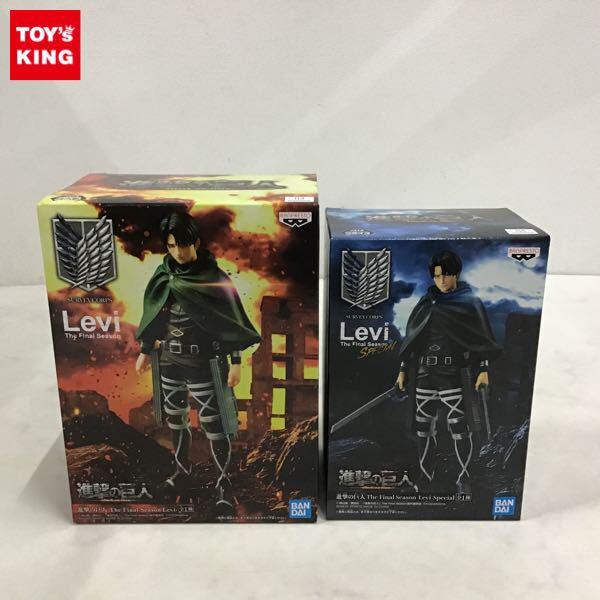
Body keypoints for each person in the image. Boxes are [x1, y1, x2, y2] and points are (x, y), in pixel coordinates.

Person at [135, 211, 260, 513]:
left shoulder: (215, 279)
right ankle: (182, 473)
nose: (179, 252)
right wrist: (145, 349)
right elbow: (155, 315)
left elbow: (230, 322)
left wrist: (236, 361)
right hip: (170, 359)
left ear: (196, 243)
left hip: (203, 361)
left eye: (184, 245)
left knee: (215, 425)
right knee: (176, 419)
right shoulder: (163, 275)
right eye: (172, 245)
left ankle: (223, 484)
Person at [396, 250, 501, 493]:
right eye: (437, 276)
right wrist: (402, 370)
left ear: (456, 274)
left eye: (446, 275)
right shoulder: (426, 302)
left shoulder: (469, 302)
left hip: (453, 374)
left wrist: (483, 369)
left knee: (459, 428)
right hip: (425, 373)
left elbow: (481, 339)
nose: (441, 281)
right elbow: (412, 340)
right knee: (423, 428)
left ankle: (464, 480)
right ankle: (424, 480)